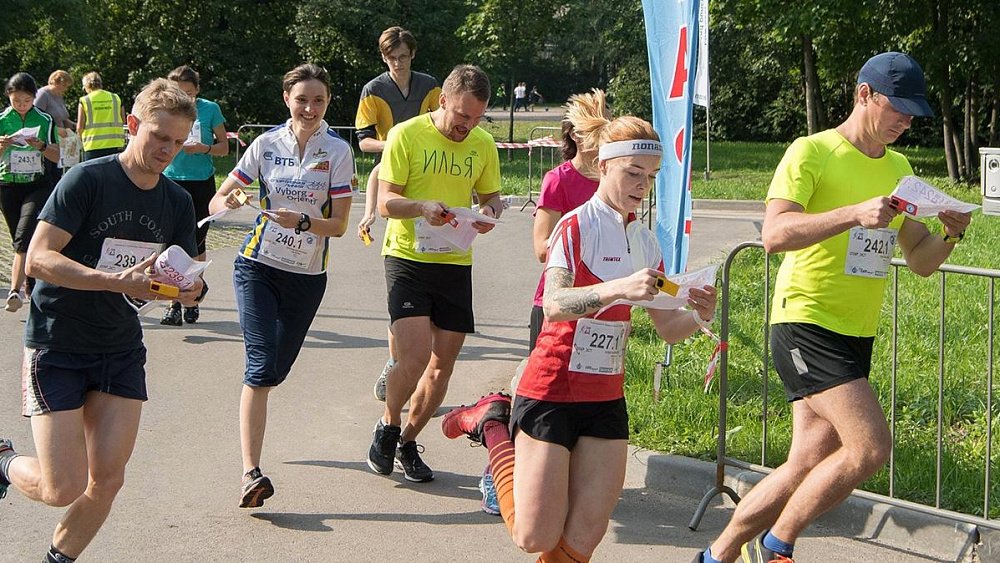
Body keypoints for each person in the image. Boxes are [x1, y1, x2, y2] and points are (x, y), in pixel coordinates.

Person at [694, 52, 972, 563]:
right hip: (806, 320)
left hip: (854, 330)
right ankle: (777, 545)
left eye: (914, 113)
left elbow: (920, 260)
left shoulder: (900, 168)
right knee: (870, 448)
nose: (907, 121)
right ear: (864, 95)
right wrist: (853, 214)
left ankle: (718, 553)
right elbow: (775, 235)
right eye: (899, 108)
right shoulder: (812, 152)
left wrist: (951, 233)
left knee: (805, 461)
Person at [441, 115, 718, 562]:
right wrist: (618, 289)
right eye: (633, 172)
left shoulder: (646, 242)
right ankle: (493, 423)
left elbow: (668, 327)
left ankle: (495, 419)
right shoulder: (574, 226)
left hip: (605, 396)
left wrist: (699, 313)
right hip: (551, 388)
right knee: (535, 537)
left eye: (650, 177)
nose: (642, 185)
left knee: (584, 537)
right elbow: (553, 303)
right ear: (604, 167)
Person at [0, 78, 202, 563]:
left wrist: (191, 288)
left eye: (177, 142)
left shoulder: (176, 201)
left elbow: (183, 272)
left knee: (107, 481)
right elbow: (39, 259)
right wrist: (114, 281)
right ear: (133, 126)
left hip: (119, 348)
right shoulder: (87, 180)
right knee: (61, 486)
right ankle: (4, 462)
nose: (167, 150)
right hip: (57, 344)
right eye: (159, 137)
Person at [208, 63, 354, 509]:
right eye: (302, 99)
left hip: (307, 277)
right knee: (258, 367)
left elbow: (341, 226)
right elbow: (218, 200)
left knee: (274, 372)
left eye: (319, 101)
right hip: (257, 266)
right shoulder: (265, 144)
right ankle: (251, 472)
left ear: (327, 104)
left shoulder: (338, 151)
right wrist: (229, 198)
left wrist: (305, 220)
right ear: (286, 99)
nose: (310, 108)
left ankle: (254, 452)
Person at [366, 64, 502, 483]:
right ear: (443, 100)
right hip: (407, 256)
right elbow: (387, 202)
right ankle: (388, 426)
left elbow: (493, 198)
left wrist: (487, 215)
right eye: (462, 116)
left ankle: (408, 440)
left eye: (477, 118)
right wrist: (422, 207)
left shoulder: (482, 144)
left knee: (442, 366)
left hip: (454, 262)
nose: (468, 126)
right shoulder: (406, 135)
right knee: (415, 356)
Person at [354, 25, 441, 402]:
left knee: (433, 287)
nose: (399, 63)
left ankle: (417, 368)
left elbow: (442, 128)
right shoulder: (373, 91)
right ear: (384, 58)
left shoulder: (430, 86)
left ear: (413, 55)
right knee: (403, 288)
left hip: (430, 179)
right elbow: (364, 142)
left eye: (404, 57)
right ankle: (396, 362)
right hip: (393, 175)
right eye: (392, 58)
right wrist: (396, 141)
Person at [529, 88, 607, 352]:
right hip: (557, 301)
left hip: (602, 303)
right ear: (576, 134)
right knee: (543, 389)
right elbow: (541, 249)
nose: (607, 137)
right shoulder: (558, 180)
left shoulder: (615, 183)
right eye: (599, 129)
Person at [160, 65, 228, 327]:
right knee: (170, 242)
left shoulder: (210, 109)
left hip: (201, 182)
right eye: (177, 92)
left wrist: (204, 148)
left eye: (188, 93)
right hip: (171, 179)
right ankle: (173, 304)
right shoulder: (165, 109)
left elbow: (224, 147)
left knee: (196, 242)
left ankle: (193, 295)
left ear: (197, 90)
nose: (183, 98)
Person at [0, 72, 60, 312]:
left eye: (26, 101)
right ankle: (32, 282)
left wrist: (42, 146)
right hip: (7, 184)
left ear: (34, 98)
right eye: (17, 101)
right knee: (18, 236)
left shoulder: (45, 120)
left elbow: (56, 156)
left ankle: (15, 290)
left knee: (24, 235)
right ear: (8, 97)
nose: (22, 106)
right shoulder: (2, 119)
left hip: (37, 184)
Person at [34, 70, 75, 184]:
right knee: (49, 177)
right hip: (46, 143)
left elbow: (62, 118)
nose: (65, 89)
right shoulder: (42, 95)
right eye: (64, 86)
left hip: (59, 144)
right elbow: (36, 119)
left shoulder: (58, 96)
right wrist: (55, 130)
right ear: (55, 82)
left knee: (57, 175)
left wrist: (75, 125)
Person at [77, 71, 126, 161]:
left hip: (92, 146)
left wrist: (79, 139)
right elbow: (123, 120)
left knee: (93, 174)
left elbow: (80, 127)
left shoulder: (84, 100)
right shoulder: (115, 98)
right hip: (115, 144)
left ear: (86, 87)